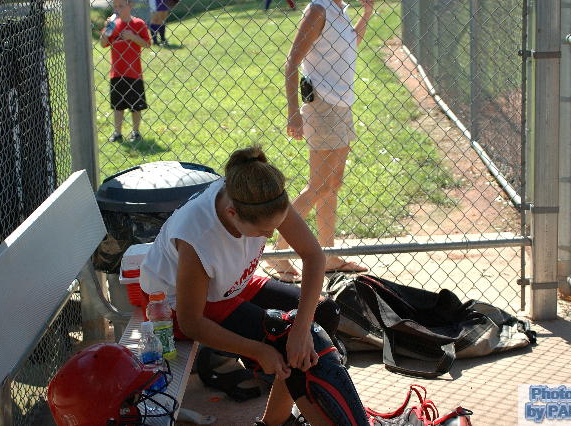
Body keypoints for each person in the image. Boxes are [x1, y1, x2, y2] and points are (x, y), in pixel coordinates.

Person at [140, 145, 371, 425]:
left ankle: (276, 421)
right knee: (284, 340)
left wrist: (301, 330)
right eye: (263, 231)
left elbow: (313, 256)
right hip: (175, 306)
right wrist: (259, 351)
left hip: (229, 287)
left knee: (321, 314)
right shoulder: (198, 237)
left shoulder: (260, 195)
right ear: (232, 213)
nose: (271, 234)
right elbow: (191, 323)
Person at [267, 0, 374, 283]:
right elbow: (292, 63)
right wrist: (293, 112)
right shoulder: (318, 10)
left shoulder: (340, 10)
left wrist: (366, 14)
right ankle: (278, 251)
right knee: (318, 186)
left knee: (332, 185)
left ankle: (328, 256)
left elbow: (350, 45)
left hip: (342, 106)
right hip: (322, 106)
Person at [100, 0, 151, 143]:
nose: (117, 9)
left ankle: (136, 132)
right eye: (115, 6)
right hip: (117, 72)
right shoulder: (113, 25)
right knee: (118, 106)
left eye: (121, 6)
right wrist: (107, 29)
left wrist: (132, 37)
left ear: (130, 6)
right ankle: (117, 133)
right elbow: (103, 43)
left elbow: (147, 44)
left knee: (135, 106)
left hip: (134, 73)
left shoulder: (138, 23)